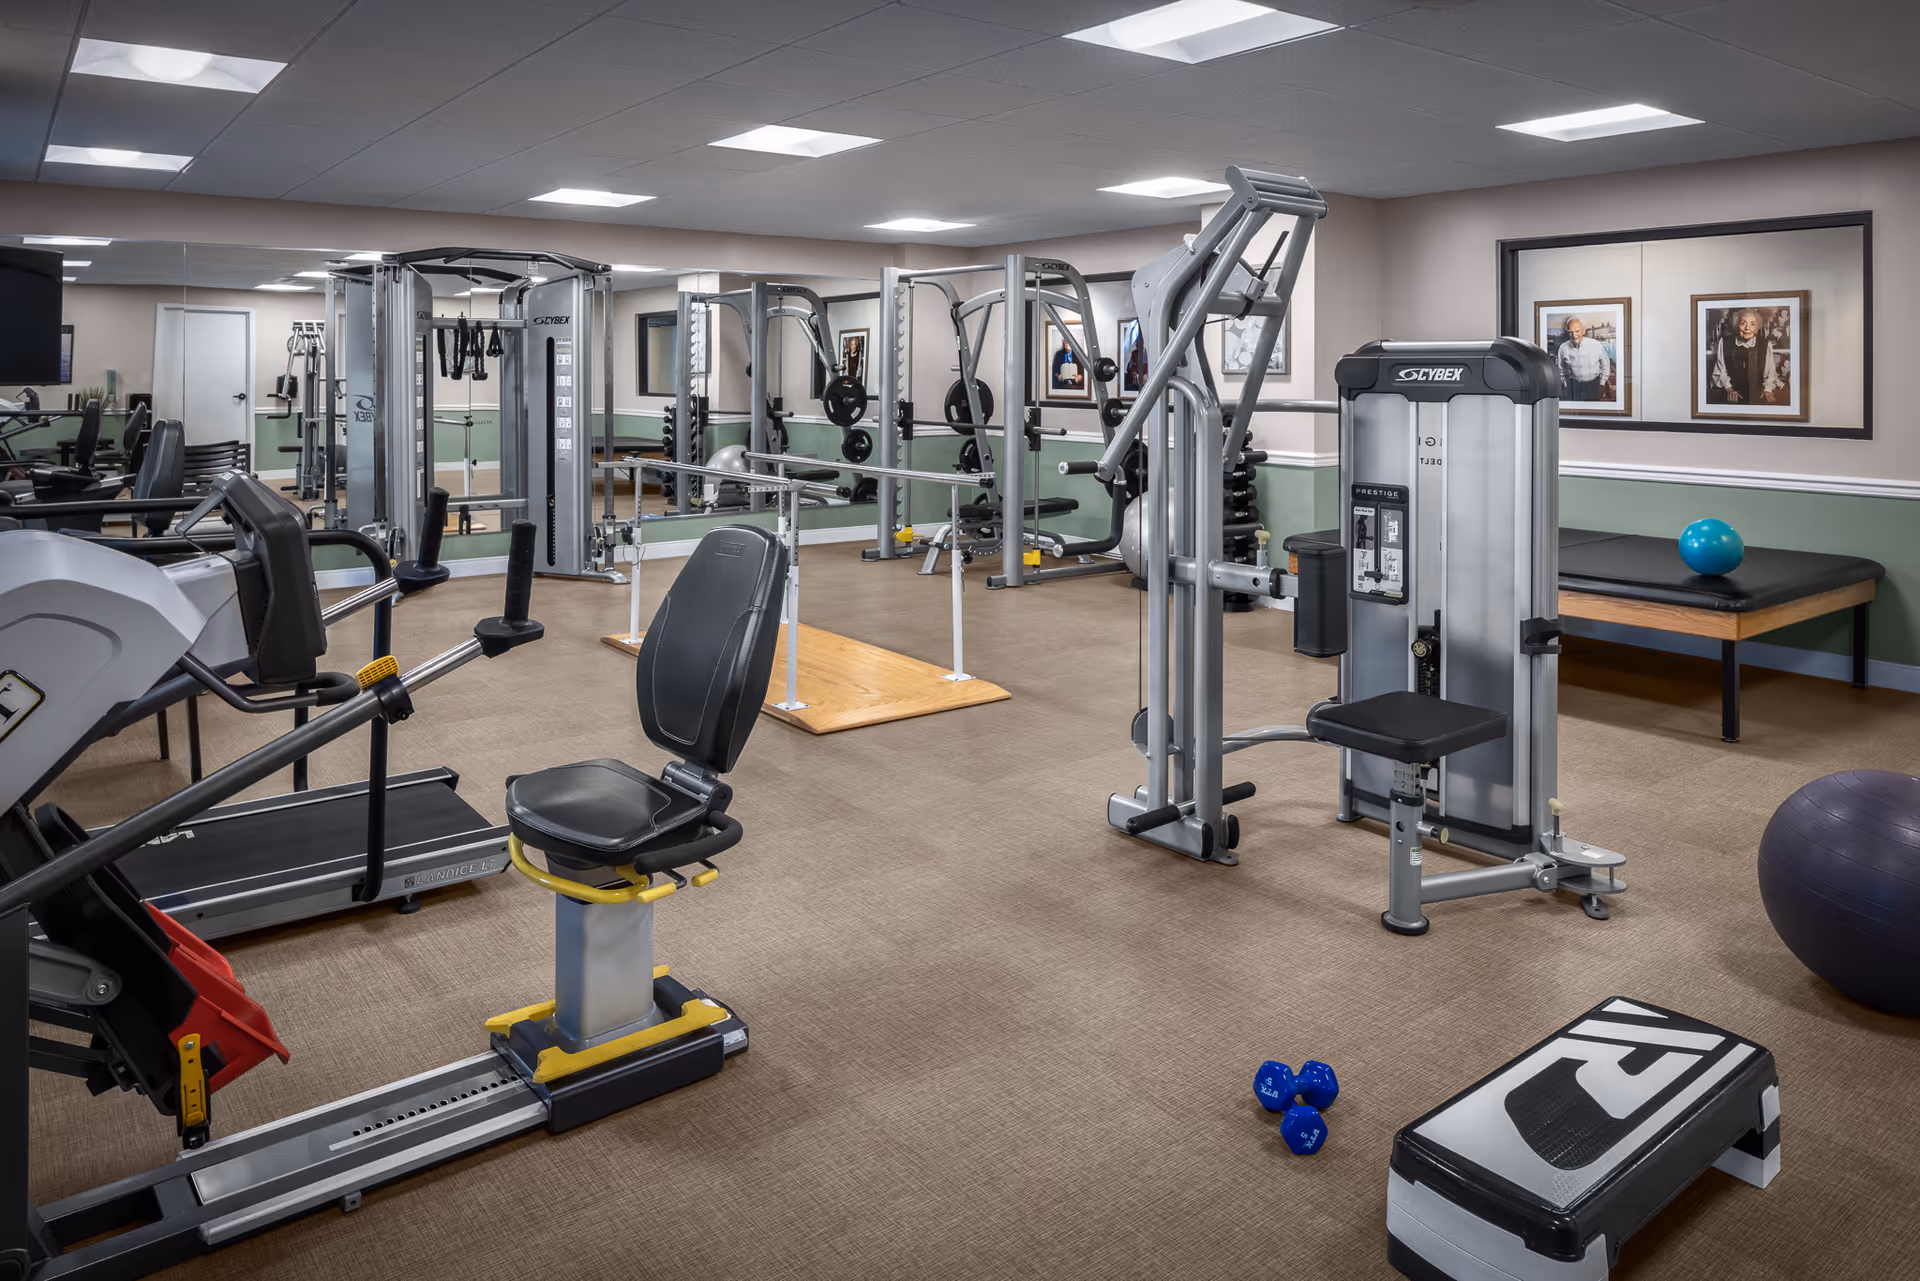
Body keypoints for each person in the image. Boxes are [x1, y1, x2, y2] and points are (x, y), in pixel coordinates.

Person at [1709, 308, 1780, 406]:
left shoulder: (1765, 344)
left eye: (1752, 324)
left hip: (1757, 395)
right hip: (1731, 393)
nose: (1747, 328)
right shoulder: (1724, 342)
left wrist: (1767, 389)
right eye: (1743, 323)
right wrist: (1729, 389)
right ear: (1737, 325)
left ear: (1757, 326)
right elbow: (1721, 370)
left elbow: (1770, 372)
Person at [1555, 316, 1611, 402]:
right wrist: (1566, 386)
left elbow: (1605, 365)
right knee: (1574, 412)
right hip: (1574, 386)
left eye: (1577, 331)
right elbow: (1562, 370)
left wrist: (1602, 384)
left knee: (1593, 411)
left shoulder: (1595, 345)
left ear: (1583, 331)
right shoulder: (1563, 348)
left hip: (1593, 386)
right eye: (1571, 332)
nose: (1574, 336)